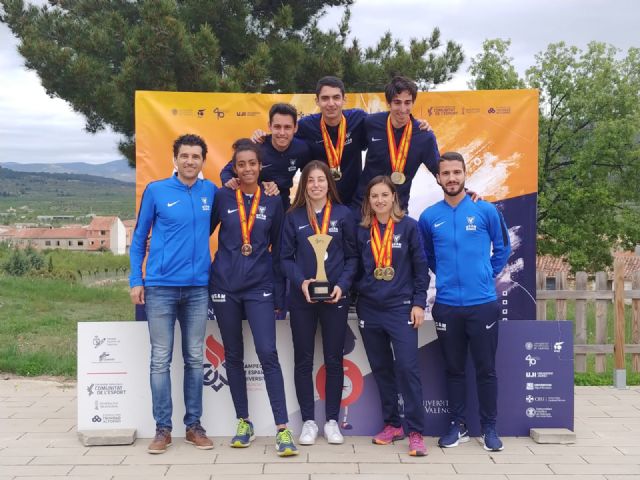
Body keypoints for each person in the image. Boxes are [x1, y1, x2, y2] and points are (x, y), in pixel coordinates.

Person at [209, 139, 298, 457]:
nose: (247, 169)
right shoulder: (221, 196)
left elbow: (280, 251)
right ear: (234, 167)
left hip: (259, 286)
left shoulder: (273, 200)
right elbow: (202, 232)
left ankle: (283, 430)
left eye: (252, 163)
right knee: (233, 353)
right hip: (224, 286)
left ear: (260, 167)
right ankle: (243, 422)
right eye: (241, 164)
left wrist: (278, 291)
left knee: (267, 352)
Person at [418, 152, 511, 452]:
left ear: (464, 174)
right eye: (446, 173)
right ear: (438, 178)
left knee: (486, 369)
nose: (452, 178)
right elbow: (428, 256)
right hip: (446, 304)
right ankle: (456, 426)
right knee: (454, 369)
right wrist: (445, 275)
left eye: (457, 172)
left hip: (482, 303)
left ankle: (489, 428)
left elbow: (503, 248)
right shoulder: (429, 217)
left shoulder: (484, 210)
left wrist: (487, 274)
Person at [129, 133, 216, 454]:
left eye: (196, 156)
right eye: (185, 156)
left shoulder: (211, 192)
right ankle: (162, 430)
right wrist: (135, 279)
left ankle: (193, 426)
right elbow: (139, 239)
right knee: (160, 360)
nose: (190, 161)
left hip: (197, 289)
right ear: (175, 159)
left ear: (202, 161)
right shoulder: (156, 191)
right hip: (160, 288)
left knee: (195, 359)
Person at [280, 161, 358, 445]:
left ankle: (332, 421)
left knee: (334, 360)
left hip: (335, 297)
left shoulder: (343, 214)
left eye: (320, 180)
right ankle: (309, 422)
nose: (315, 185)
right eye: (310, 180)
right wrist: (301, 282)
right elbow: (284, 259)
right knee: (303, 360)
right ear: (304, 185)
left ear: (329, 184)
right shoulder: (293, 217)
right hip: (303, 299)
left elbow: (353, 258)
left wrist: (342, 285)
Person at [355, 175, 429, 457]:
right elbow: (355, 268)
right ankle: (392, 425)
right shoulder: (362, 230)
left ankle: (416, 432)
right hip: (370, 310)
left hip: (401, 309)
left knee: (408, 369)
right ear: (369, 201)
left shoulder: (409, 227)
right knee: (382, 369)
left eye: (385, 195)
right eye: (374, 196)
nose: (380, 200)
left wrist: (419, 302)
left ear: (394, 198)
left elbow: (421, 269)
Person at [352, 76, 440, 214]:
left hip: (397, 209)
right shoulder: (371, 123)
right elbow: (350, 147)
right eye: (397, 102)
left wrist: (464, 192)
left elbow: (439, 171)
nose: (403, 108)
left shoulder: (424, 136)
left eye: (407, 102)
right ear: (388, 103)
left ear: (413, 103)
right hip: (364, 207)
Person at [220, 103, 311, 210]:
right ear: (269, 126)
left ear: (295, 128)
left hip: (282, 205)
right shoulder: (257, 147)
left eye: (287, 127)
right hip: (254, 205)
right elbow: (226, 172)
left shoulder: (302, 149)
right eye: (277, 127)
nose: (282, 133)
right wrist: (232, 182)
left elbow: (311, 173)